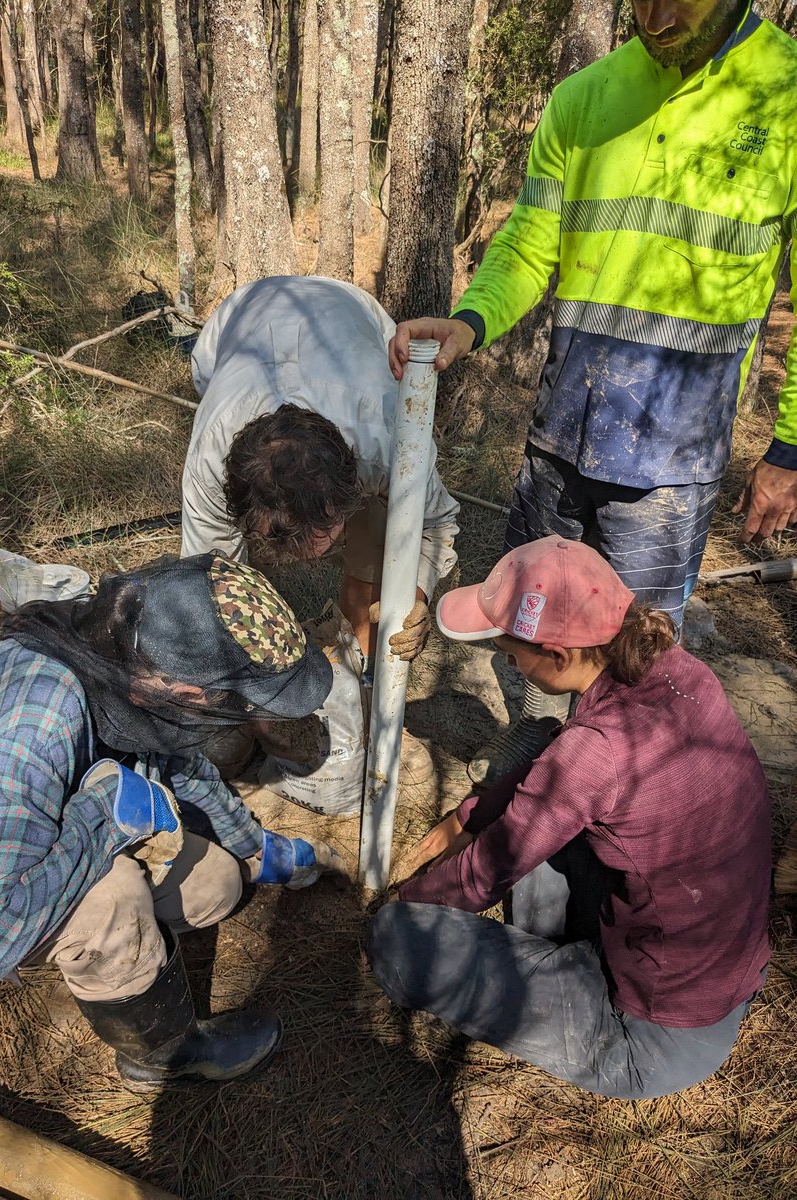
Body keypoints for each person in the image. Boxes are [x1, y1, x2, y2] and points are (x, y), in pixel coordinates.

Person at [389, 0, 797, 777]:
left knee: (635, 652)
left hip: (672, 465)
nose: (657, 14)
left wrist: (791, 445)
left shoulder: (788, 93)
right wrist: (470, 320)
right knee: (534, 620)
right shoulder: (584, 97)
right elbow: (531, 242)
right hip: (563, 432)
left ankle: (611, 790)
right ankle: (541, 754)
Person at [0, 554, 342, 1090]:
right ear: (184, 689)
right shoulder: (40, 723)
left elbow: (180, 763)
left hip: (5, 853)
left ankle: (93, 970)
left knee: (217, 883)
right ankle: (163, 1055)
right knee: (113, 896)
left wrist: (257, 848)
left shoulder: (115, 652)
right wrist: (105, 811)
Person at [367, 535, 771, 1099]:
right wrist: (471, 815)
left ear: (557, 656)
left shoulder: (595, 754)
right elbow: (554, 774)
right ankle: (554, 953)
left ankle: (555, 973)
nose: (506, 663)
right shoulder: (677, 672)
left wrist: (407, 904)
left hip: (651, 1035)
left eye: (511, 655)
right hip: (709, 973)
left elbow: (485, 873)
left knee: (396, 938)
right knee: (541, 774)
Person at [181, 274, 460, 661]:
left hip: (349, 311)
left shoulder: (388, 439)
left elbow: (434, 523)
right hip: (241, 315)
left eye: (325, 531)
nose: (312, 560)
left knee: (381, 551)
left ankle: (358, 666)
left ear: (354, 484)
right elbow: (208, 577)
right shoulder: (211, 460)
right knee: (222, 592)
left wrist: (414, 596)